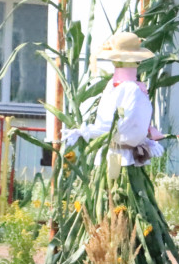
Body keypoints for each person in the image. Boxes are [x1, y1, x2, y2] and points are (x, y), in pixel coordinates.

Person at [62, 31, 164, 165]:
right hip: (115, 155)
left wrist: (89, 131)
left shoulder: (130, 88)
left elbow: (120, 124)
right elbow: (112, 122)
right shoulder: (118, 86)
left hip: (121, 156)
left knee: (115, 184)